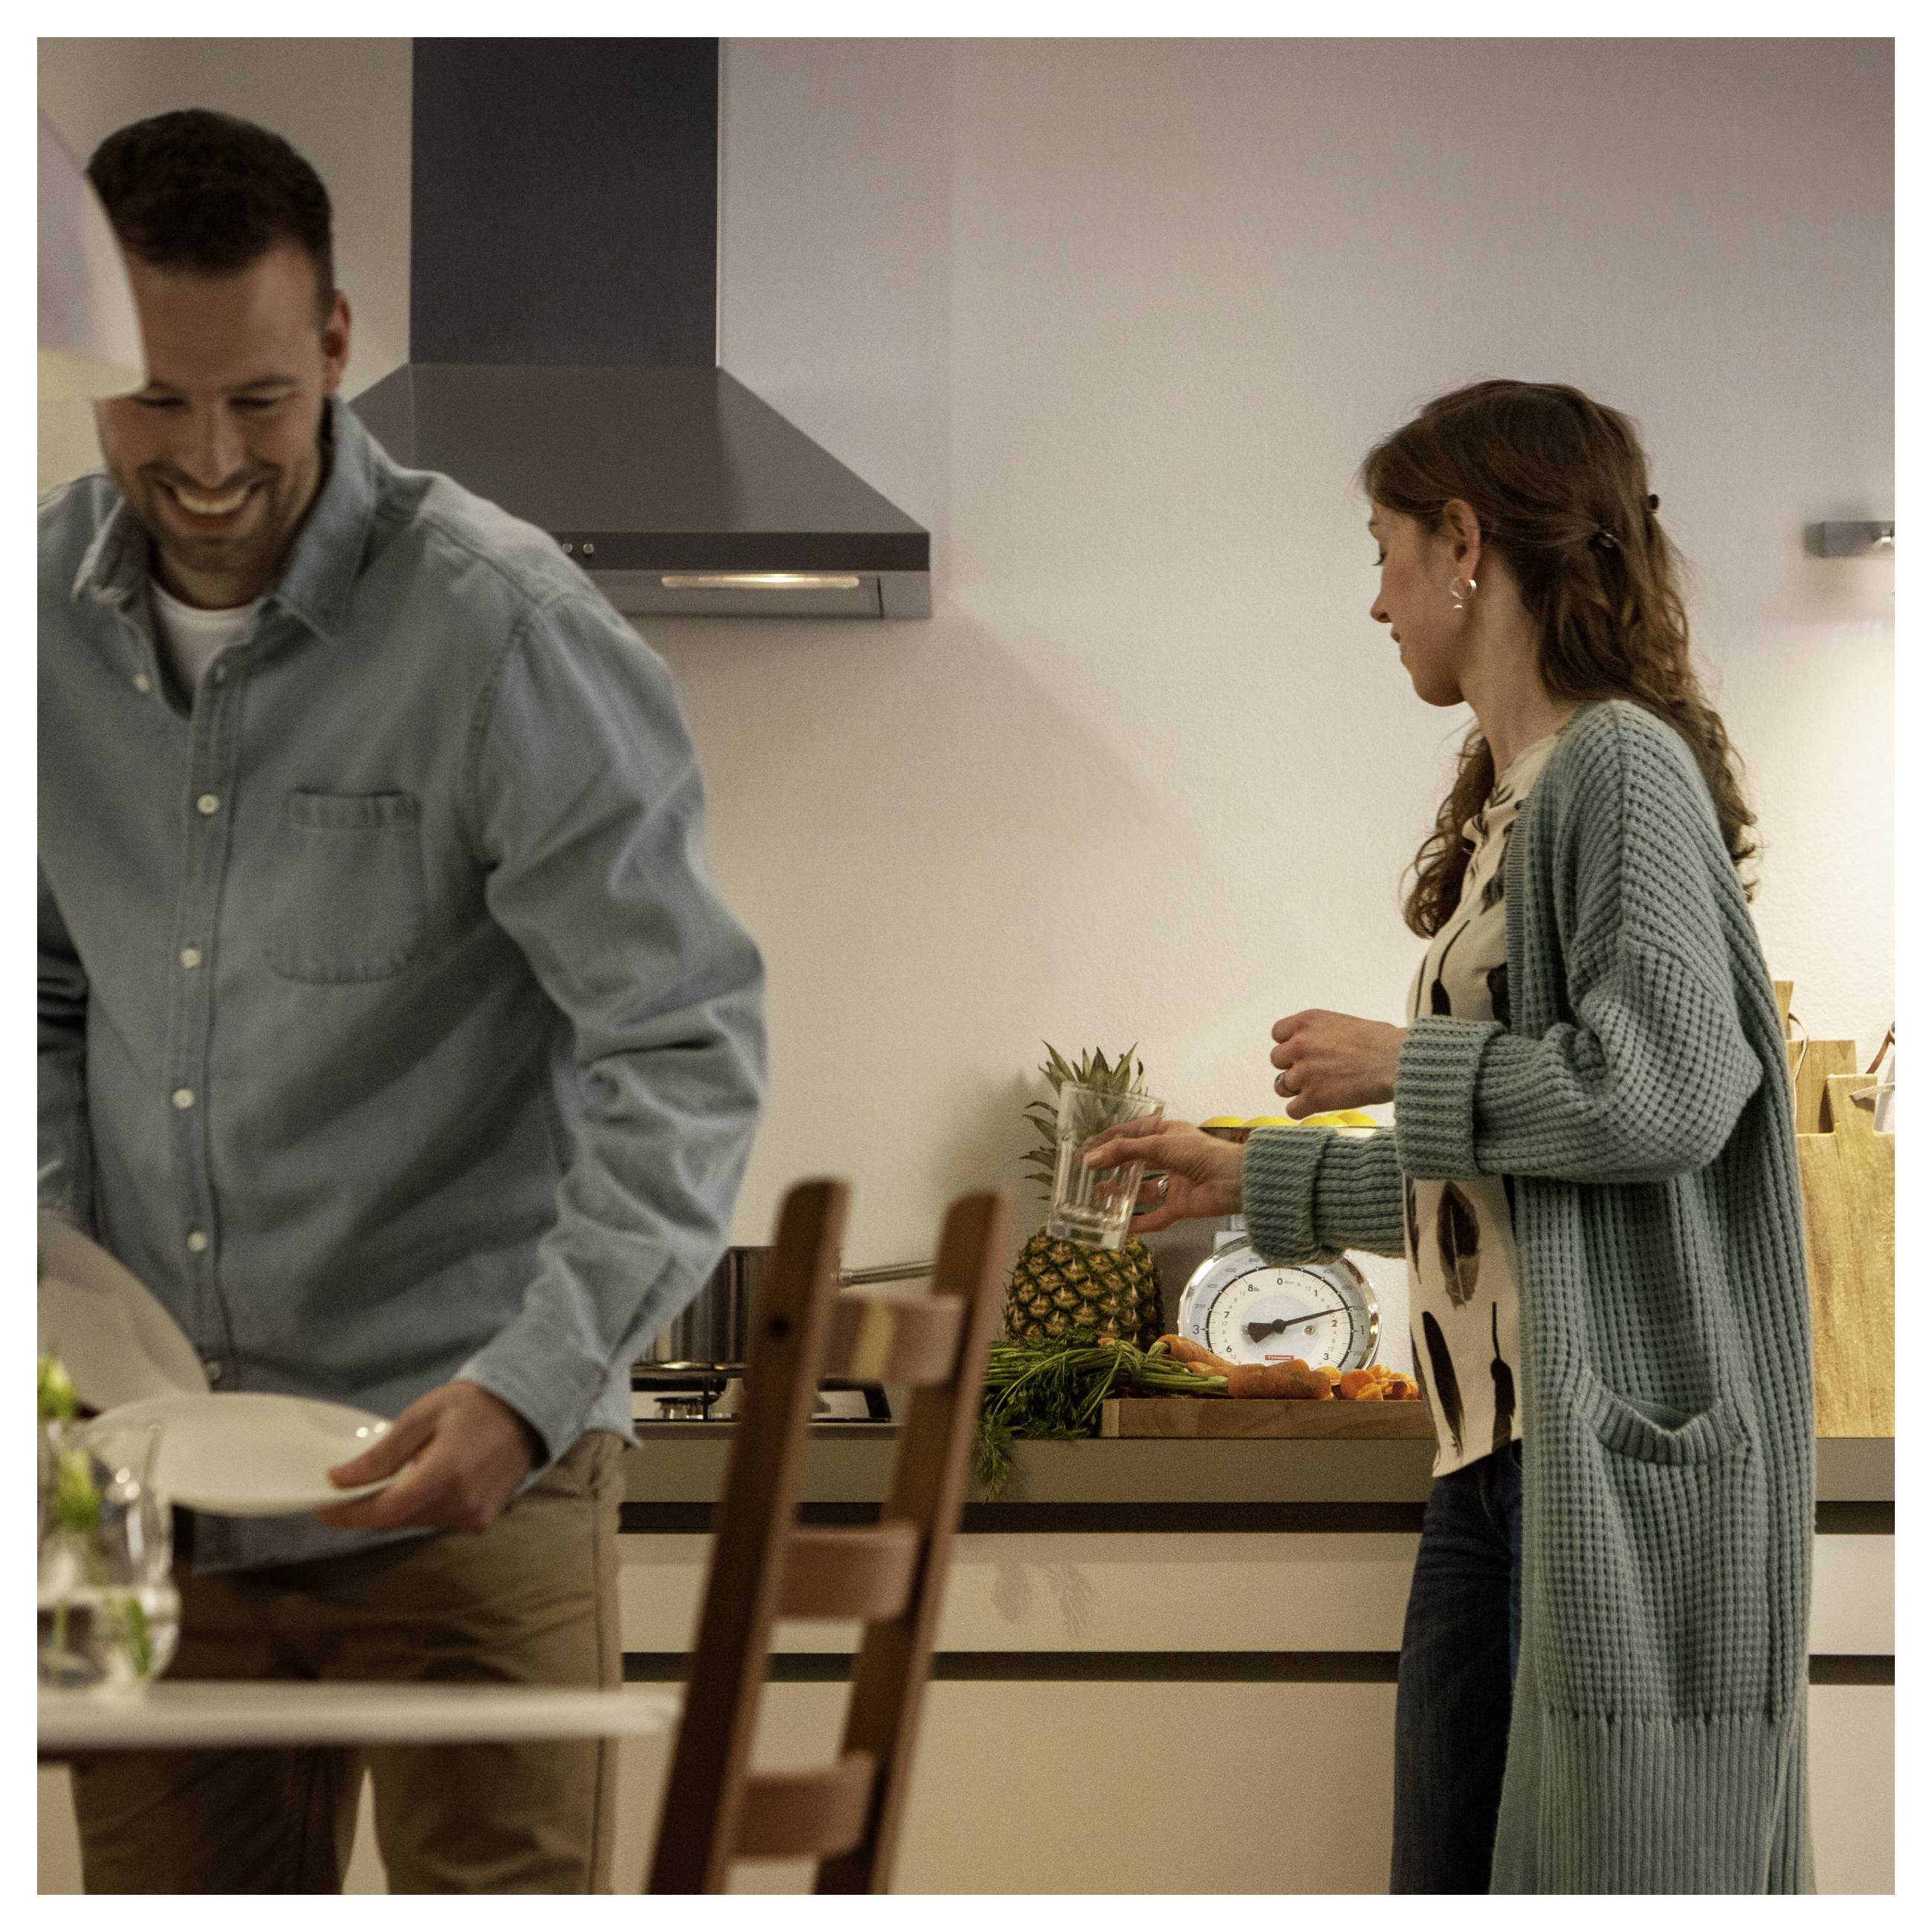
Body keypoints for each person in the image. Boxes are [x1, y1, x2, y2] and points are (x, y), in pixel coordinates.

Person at [38, 109, 766, 1893]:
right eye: (154, 399)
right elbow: (42, 994)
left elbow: (683, 1044)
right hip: (140, 1511)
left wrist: (528, 1389)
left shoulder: (500, 631)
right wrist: (64, 1327)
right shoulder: (22, 626)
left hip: (470, 1482)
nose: (207, 458)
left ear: (338, 342)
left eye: (260, 400)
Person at [1090, 379, 1815, 1894]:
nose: (1376, 600)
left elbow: (1666, 1093)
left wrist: (1408, 1058)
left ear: (1465, 540)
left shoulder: (1617, 769)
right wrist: (1256, 1175)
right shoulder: (1513, 798)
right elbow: (1522, 1163)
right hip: (1494, 1463)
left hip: (1595, 1471)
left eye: (1384, 548)